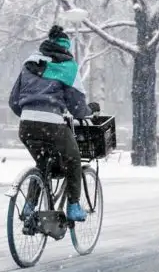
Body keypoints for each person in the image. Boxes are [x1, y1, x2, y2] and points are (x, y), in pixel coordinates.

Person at [8, 25, 100, 221]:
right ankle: (74, 206)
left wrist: (30, 113)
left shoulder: (30, 63)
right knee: (73, 159)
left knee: (42, 163)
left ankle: (29, 205)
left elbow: (13, 101)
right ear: (66, 47)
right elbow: (77, 108)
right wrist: (90, 110)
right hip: (53, 126)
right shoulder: (68, 67)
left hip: (27, 125)